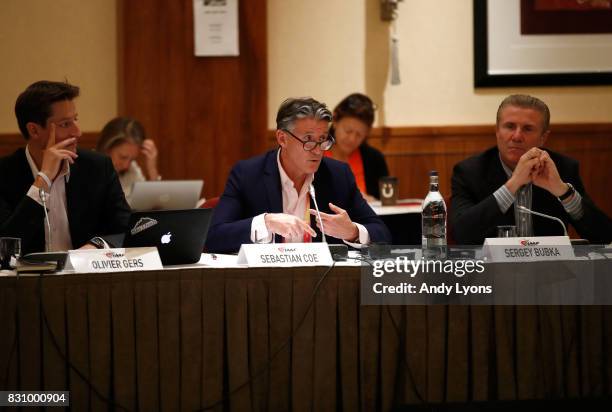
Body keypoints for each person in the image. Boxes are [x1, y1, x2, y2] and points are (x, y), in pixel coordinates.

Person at [205, 97, 391, 253]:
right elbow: (213, 237)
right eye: (308, 140)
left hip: (322, 283)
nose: (318, 151)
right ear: (282, 138)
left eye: (322, 140)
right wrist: (265, 223)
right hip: (264, 285)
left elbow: (383, 235)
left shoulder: (338, 175)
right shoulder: (248, 175)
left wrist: (352, 231)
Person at [450, 94, 611, 245]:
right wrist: (512, 185)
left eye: (527, 129)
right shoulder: (469, 172)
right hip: (492, 271)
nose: (517, 136)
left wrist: (562, 191)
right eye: (510, 126)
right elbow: (461, 235)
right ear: (497, 131)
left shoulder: (563, 168)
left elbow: (603, 236)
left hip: (550, 270)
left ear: (543, 137)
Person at [0, 80, 130, 253]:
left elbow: (126, 229)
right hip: (24, 279)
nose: (78, 132)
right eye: (65, 124)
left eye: (75, 120)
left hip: (87, 276)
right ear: (34, 130)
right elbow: (5, 245)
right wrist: (43, 178)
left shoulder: (98, 168)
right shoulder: (4, 174)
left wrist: (97, 246)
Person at [326, 93, 389, 200]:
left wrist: (372, 200)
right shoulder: (316, 153)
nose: (352, 139)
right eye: (348, 131)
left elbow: (386, 200)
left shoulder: (374, 159)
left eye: (359, 135)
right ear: (335, 121)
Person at [96, 116, 160, 200]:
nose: (126, 165)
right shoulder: (89, 168)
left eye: (132, 159)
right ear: (106, 148)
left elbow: (152, 204)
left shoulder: (132, 169)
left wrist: (152, 170)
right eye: (123, 157)